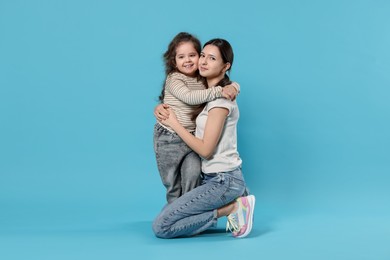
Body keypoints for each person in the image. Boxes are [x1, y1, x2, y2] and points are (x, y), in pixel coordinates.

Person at [152, 38, 255, 239]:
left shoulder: (218, 102)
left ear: (225, 66)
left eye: (212, 58)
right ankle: (233, 201)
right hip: (211, 178)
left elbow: (206, 150)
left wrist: (173, 123)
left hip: (223, 180)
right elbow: (185, 98)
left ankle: (232, 208)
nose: (203, 61)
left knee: (162, 227)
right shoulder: (204, 91)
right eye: (203, 55)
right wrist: (161, 107)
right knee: (170, 211)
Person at [154, 32, 240, 204]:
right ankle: (175, 211)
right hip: (169, 137)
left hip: (190, 137)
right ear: (173, 61)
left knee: (193, 176)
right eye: (181, 56)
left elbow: (225, 83)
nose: (188, 60)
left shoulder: (201, 79)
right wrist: (220, 91)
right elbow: (189, 98)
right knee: (172, 183)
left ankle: (186, 213)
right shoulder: (174, 78)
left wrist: (234, 87)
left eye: (193, 55)